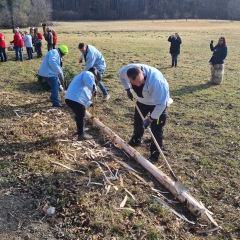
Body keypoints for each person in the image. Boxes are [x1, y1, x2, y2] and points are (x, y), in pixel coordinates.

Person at [118, 64, 170, 163]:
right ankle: (136, 138)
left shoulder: (156, 82)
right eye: (134, 83)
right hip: (142, 101)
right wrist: (127, 89)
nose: (137, 85)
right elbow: (120, 76)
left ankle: (155, 153)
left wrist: (150, 119)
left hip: (157, 103)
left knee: (156, 128)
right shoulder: (124, 72)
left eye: (140, 82)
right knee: (137, 120)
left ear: (142, 73)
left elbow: (161, 104)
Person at [65, 67, 101, 141]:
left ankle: (80, 129)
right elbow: (91, 87)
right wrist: (94, 90)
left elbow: (81, 94)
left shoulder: (82, 77)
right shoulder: (88, 74)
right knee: (81, 114)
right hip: (74, 99)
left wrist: (89, 103)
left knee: (78, 114)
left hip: (71, 98)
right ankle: (81, 135)